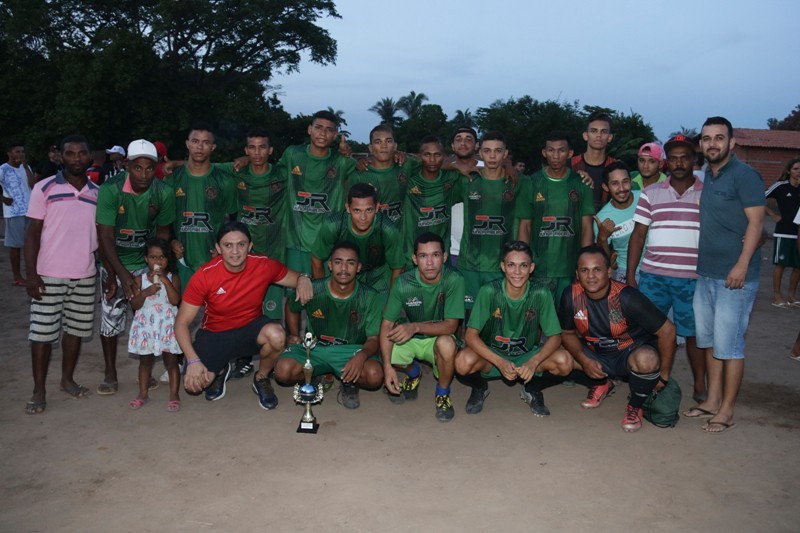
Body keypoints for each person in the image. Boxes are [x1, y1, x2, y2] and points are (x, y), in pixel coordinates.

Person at [175, 222, 313, 410]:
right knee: (195, 385)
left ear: (250, 246)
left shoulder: (263, 265)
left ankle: (261, 377)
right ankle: (221, 369)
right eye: (228, 245)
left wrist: (304, 277)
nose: (235, 251)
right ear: (218, 248)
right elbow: (181, 323)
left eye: (241, 244)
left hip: (251, 328)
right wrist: (192, 361)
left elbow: (298, 278)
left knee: (277, 335)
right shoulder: (204, 275)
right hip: (215, 333)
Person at [688, 116, 765, 434]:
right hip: (706, 273)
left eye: (719, 138)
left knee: (730, 346)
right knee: (709, 342)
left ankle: (727, 410)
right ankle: (712, 400)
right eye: (707, 138)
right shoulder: (709, 174)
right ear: (701, 144)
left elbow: (757, 223)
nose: (712, 144)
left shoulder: (745, 175)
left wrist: (742, 264)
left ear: (731, 142)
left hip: (734, 278)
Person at [558, 246, 676, 432]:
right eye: (584, 270)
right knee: (555, 355)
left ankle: (635, 406)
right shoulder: (570, 295)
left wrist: (664, 375)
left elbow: (667, 331)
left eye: (597, 269)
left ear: (608, 271)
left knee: (647, 359)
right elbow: (567, 334)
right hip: (596, 354)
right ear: (577, 274)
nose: (590, 276)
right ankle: (601, 383)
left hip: (627, 355)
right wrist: (584, 361)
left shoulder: (627, 297)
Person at [627, 135, 706, 403]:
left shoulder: (706, 193)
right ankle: (651, 379)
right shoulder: (651, 193)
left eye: (684, 158)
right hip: (654, 277)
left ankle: (700, 385)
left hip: (692, 278)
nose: (679, 163)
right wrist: (631, 275)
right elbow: (638, 235)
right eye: (673, 158)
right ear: (666, 163)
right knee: (650, 332)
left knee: (694, 335)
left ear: (693, 160)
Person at [24, 135, 99, 414]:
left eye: (82, 153)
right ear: (61, 156)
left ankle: (67, 380)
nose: (76, 158)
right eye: (70, 153)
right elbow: (31, 234)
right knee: (42, 335)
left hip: (85, 274)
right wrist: (31, 275)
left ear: (90, 157)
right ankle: (38, 390)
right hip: (48, 274)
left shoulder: (98, 193)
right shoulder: (44, 188)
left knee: (76, 331)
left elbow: (102, 236)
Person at [95, 139, 175, 395]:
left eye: (149, 168)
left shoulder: (164, 192)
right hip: (113, 260)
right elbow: (105, 237)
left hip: (145, 262)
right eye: (137, 167)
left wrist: (157, 269)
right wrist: (116, 274)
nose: (143, 174)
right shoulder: (110, 189)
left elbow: (163, 235)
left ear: (156, 168)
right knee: (110, 317)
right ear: (127, 165)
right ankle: (110, 373)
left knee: (149, 316)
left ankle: (146, 370)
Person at [456, 241, 572, 416]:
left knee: (565, 361)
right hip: (493, 356)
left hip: (526, 355)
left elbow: (556, 337)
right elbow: (471, 335)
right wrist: (500, 362)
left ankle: (531, 389)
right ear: (503, 266)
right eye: (511, 265)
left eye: (523, 265)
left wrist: (533, 362)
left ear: (531, 268)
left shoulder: (540, 293)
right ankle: (480, 387)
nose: (517, 272)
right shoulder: (489, 291)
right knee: (462, 362)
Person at [275, 242, 385, 409]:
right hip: (315, 348)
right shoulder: (314, 289)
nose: (343, 268)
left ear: (358, 267)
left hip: (350, 351)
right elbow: (291, 306)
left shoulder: (370, 296)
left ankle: (349, 381)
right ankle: (313, 374)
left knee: (375, 376)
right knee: (282, 371)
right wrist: (294, 334)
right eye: (338, 262)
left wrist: (361, 356)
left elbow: (373, 339)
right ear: (330, 265)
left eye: (350, 263)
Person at [222, 128, 289, 379]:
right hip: (243, 256)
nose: (257, 152)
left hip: (272, 254)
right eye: (252, 147)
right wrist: (174, 164)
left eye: (262, 147)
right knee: (243, 309)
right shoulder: (236, 171)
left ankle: (270, 360)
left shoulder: (283, 174)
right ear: (245, 150)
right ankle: (243, 358)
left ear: (270, 150)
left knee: (272, 312)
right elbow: (204, 164)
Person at [380, 232, 465, 422]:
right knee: (386, 348)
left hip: (437, 338)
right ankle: (413, 373)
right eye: (423, 256)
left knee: (447, 345)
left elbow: (451, 326)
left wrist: (415, 327)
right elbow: (387, 324)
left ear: (444, 257)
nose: (430, 262)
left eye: (435, 255)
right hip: (410, 339)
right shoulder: (403, 282)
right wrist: (386, 367)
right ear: (414, 259)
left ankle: (442, 393)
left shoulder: (454, 279)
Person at [277, 110, 355, 314]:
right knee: (294, 298)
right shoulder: (293, 154)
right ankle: (293, 333)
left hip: (328, 243)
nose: (323, 133)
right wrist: (246, 159)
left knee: (326, 297)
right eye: (318, 127)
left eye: (329, 130)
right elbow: (269, 172)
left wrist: (350, 154)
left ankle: (323, 332)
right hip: (296, 241)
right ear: (309, 129)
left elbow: (372, 166)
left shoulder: (341, 161)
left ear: (335, 135)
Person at [517, 131, 595, 301]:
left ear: (570, 153)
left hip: (570, 268)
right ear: (544, 152)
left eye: (561, 150)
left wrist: (585, 264)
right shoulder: (531, 182)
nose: (556, 156)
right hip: (539, 269)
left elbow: (587, 227)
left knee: (569, 315)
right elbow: (525, 226)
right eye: (551, 150)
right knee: (537, 314)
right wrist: (522, 263)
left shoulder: (582, 184)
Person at [166, 122, 238, 287]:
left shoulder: (225, 181)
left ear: (213, 147)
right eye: (195, 141)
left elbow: (234, 221)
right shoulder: (172, 179)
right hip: (181, 261)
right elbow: (164, 219)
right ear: (187, 143)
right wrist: (171, 241)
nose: (199, 147)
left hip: (215, 261)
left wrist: (224, 247)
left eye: (206, 142)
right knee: (182, 304)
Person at [458, 132, 519, 311]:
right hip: (470, 263)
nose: (492, 156)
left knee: (498, 315)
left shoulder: (518, 181)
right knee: (468, 316)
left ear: (505, 154)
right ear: (480, 153)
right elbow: (431, 166)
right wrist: (456, 167)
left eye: (498, 151)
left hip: (501, 264)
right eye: (487, 151)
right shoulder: (468, 179)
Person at [310, 183, 404, 293]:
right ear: (347, 208)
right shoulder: (333, 225)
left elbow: (398, 267)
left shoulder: (388, 230)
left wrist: (391, 300)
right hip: (343, 274)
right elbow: (316, 259)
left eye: (368, 210)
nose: (363, 217)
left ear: (377, 207)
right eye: (357, 210)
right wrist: (321, 294)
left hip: (377, 276)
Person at [127, 238, 182, 412]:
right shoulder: (140, 280)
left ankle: (174, 395)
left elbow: (175, 301)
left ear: (168, 259)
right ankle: (143, 394)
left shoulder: (173, 278)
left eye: (162, 257)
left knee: (171, 361)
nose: (158, 261)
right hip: (147, 327)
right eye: (153, 257)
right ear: (146, 259)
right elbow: (135, 305)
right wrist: (145, 293)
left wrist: (165, 281)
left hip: (166, 326)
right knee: (145, 362)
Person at [400, 136, 463, 262]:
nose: (432, 160)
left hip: (442, 257)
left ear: (444, 157)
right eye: (427, 155)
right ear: (419, 157)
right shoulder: (409, 180)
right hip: (411, 257)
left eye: (437, 155)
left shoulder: (451, 179)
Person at [349, 124, 412, 225]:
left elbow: (430, 163)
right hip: (371, 233)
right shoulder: (358, 175)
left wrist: (404, 155)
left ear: (395, 146)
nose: (384, 146)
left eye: (388, 141)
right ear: (370, 148)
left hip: (400, 233)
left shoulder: (406, 166)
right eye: (378, 142)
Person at [593, 161, 640, 283]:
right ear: (605, 187)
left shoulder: (645, 199)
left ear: (631, 182)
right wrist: (602, 237)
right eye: (615, 183)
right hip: (624, 271)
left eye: (625, 181)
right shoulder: (602, 218)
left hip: (655, 267)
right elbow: (603, 261)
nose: (622, 188)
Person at [764, 158, 800, 307]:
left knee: (798, 265)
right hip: (783, 233)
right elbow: (758, 198)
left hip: (798, 234)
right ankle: (777, 297)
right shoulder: (781, 186)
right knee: (781, 264)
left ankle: (791, 296)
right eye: (796, 169)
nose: (799, 172)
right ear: (789, 171)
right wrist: (772, 214)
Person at [0, 142, 34, 286]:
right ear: (9, 153)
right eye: (17, 151)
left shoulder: (26, 167)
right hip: (14, 212)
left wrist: (25, 167)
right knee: (15, 245)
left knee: (31, 243)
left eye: (22, 152)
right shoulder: (3, 169)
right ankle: (17, 276)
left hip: (30, 210)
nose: (20, 154)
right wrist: (3, 198)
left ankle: (31, 273)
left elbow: (33, 184)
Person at [570, 111, 617, 210]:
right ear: (585, 135)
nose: (599, 135)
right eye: (594, 131)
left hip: (607, 218)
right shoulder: (570, 165)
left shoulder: (616, 168)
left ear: (610, 137)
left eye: (604, 132)